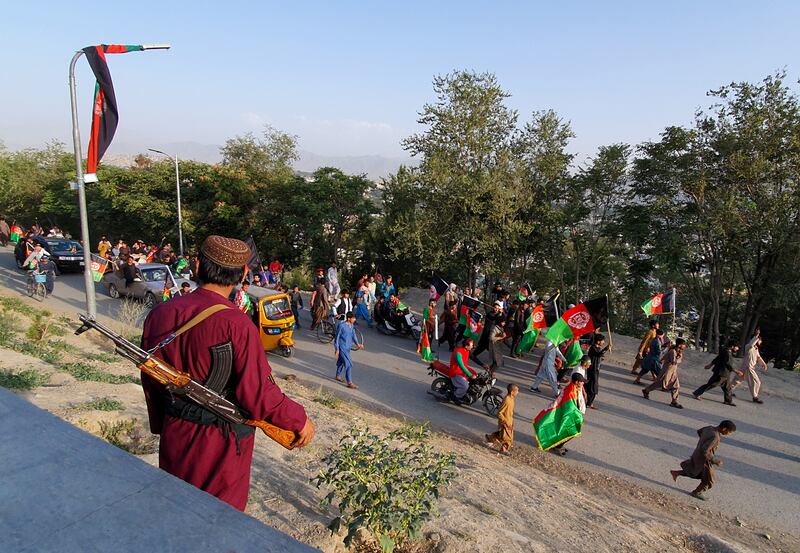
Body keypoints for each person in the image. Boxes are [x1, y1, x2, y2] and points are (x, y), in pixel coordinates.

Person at [140, 235, 314, 511]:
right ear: (244, 273)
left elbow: (150, 380)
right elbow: (257, 394)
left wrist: (163, 423)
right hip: (221, 443)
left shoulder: (160, 313)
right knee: (219, 522)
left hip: (176, 432)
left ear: (197, 266)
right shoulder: (237, 324)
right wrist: (299, 419)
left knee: (174, 510)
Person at [670, 420, 737, 500]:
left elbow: (699, 432)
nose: (729, 434)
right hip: (704, 459)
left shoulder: (709, 428)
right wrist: (715, 460)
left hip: (697, 454)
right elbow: (705, 450)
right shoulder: (715, 437)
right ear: (724, 429)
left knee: (696, 472)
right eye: (729, 432)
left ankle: (676, 473)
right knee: (709, 479)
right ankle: (697, 492)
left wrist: (703, 441)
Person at [693, 339, 741, 406]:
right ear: (732, 346)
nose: (738, 349)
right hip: (721, 373)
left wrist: (710, 365)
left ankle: (728, 401)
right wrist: (736, 371)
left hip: (725, 373)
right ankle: (697, 393)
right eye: (737, 347)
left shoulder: (725, 351)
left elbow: (717, 359)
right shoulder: (727, 353)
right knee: (712, 384)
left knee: (727, 388)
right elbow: (728, 364)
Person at [642, 337, 686, 408]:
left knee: (676, 386)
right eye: (684, 344)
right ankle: (646, 390)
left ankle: (674, 401)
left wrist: (662, 360)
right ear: (680, 345)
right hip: (667, 372)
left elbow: (666, 356)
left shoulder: (677, 351)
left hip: (673, 372)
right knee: (659, 383)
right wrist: (680, 358)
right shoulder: (673, 351)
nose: (685, 346)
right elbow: (673, 362)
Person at [731, 330, 768, 404]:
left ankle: (728, 389)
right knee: (756, 382)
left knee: (738, 380)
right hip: (748, 367)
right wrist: (757, 336)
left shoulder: (756, 349)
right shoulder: (748, 346)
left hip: (746, 367)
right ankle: (755, 397)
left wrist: (764, 364)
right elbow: (751, 344)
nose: (761, 342)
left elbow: (758, 357)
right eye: (760, 340)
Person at [485, 383, 519, 454]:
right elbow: (500, 412)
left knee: (501, 435)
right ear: (512, 392)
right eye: (517, 391)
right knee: (508, 438)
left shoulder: (511, 399)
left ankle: (490, 438)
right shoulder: (507, 400)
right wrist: (505, 421)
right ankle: (504, 450)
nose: (518, 392)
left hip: (509, 421)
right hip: (505, 422)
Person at [334, 311, 363, 389]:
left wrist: (358, 344)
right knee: (348, 364)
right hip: (342, 347)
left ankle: (338, 375)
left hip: (348, 347)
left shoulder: (351, 325)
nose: (355, 319)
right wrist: (337, 349)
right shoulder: (341, 326)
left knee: (341, 361)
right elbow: (337, 338)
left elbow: (353, 335)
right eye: (353, 318)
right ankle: (349, 382)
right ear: (349, 318)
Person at [471, 301, 505, 367]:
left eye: (497, 308)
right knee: (482, 347)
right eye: (495, 308)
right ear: (493, 308)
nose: (496, 309)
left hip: (492, 334)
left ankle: (496, 359)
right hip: (487, 333)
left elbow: (502, 319)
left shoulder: (498, 314)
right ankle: (472, 355)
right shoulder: (490, 314)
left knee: (491, 348)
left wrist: (502, 313)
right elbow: (493, 318)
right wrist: (499, 313)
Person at [586, 333, 610, 409]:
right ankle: (589, 403)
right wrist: (606, 348)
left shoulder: (597, 348)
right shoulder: (593, 348)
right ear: (598, 341)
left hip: (596, 369)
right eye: (602, 341)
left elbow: (599, 355)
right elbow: (598, 354)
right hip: (592, 370)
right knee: (593, 387)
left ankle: (589, 402)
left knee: (592, 386)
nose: (603, 342)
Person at [449, 338, 476, 404]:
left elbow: (473, 358)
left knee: (475, 374)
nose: (473, 347)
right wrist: (470, 375)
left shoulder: (467, 350)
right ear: (466, 346)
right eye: (471, 346)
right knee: (465, 386)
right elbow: (461, 366)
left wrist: (483, 365)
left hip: (462, 370)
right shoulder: (458, 353)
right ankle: (455, 396)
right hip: (456, 372)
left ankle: (466, 393)